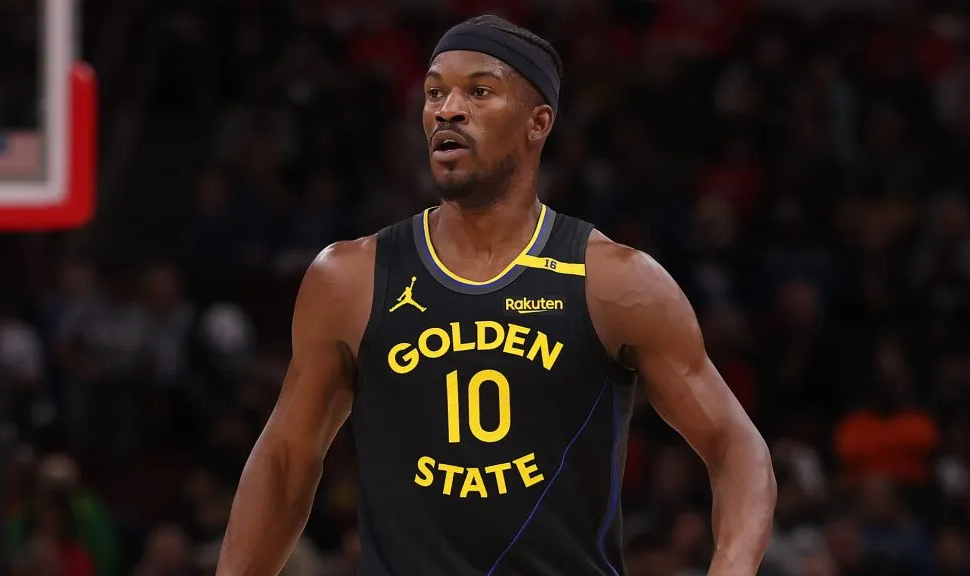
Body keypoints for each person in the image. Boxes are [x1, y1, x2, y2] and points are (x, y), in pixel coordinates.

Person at [218, 15, 776, 576]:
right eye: (434, 92)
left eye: (479, 92)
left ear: (538, 123)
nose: (448, 109)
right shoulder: (349, 277)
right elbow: (287, 463)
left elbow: (737, 449)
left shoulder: (614, 280)